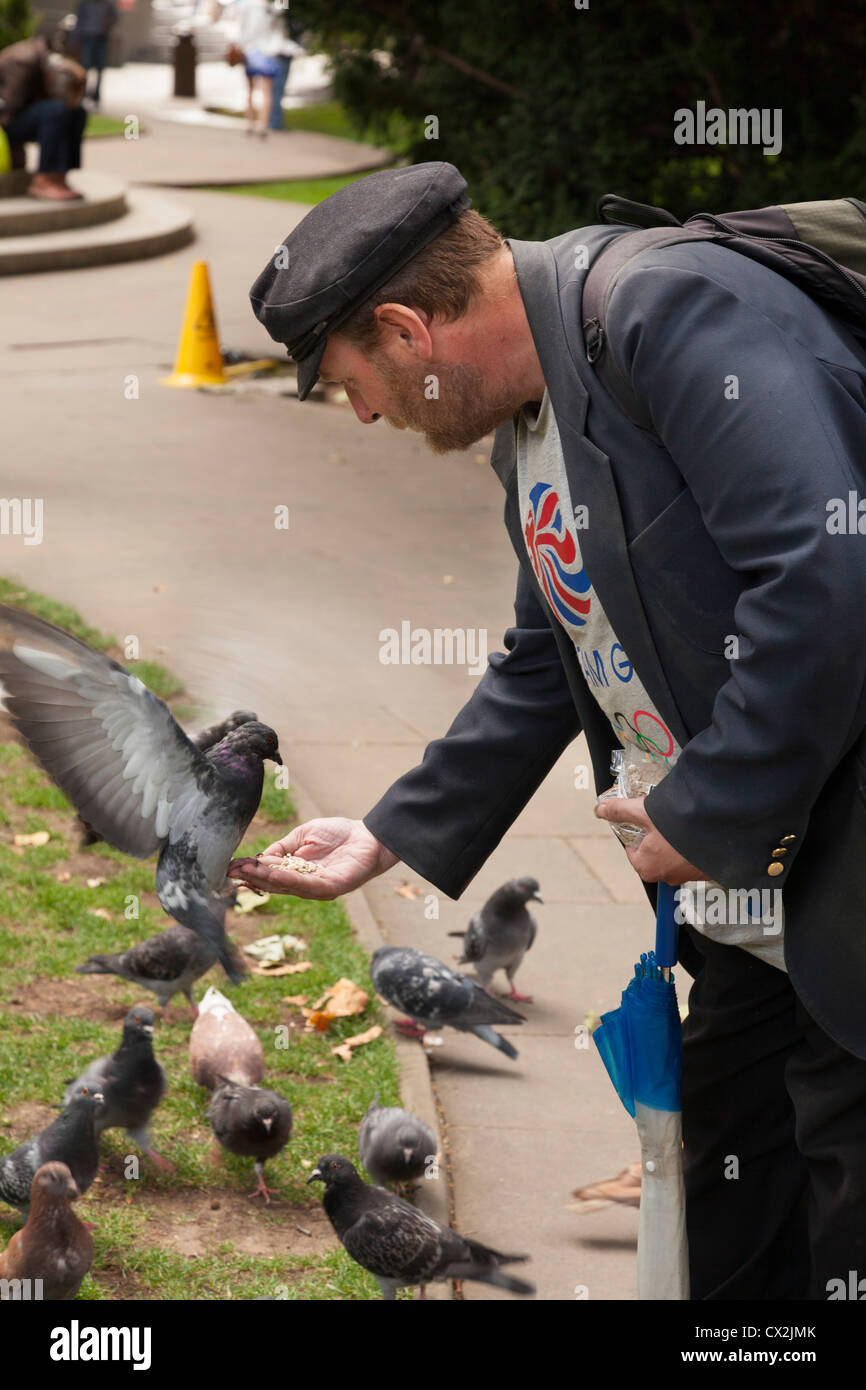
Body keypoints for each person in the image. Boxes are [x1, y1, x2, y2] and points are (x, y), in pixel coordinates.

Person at [240, 162, 866, 1300]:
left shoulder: (670, 313)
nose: (368, 414)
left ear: (403, 326)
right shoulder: (528, 420)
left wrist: (703, 807)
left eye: (354, 384)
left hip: (838, 888)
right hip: (755, 906)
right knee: (729, 1211)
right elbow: (549, 654)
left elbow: (826, 572)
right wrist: (390, 832)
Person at [0, 33, 86, 201]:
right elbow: (9, 106)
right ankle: (42, 181)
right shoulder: (23, 60)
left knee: (77, 111)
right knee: (55, 111)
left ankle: (60, 177)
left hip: (17, 115)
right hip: (6, 121)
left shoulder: (45, 58)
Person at [72, 0, 117, 108]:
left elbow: (115, 18)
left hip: (101, 38)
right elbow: (78, 22)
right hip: (87, 38)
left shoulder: (108, 5)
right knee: (85, 68)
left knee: (100, 69)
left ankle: (96, 97)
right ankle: (81, 95)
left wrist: (109, 22)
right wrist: (73, 41)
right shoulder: (84, 4)